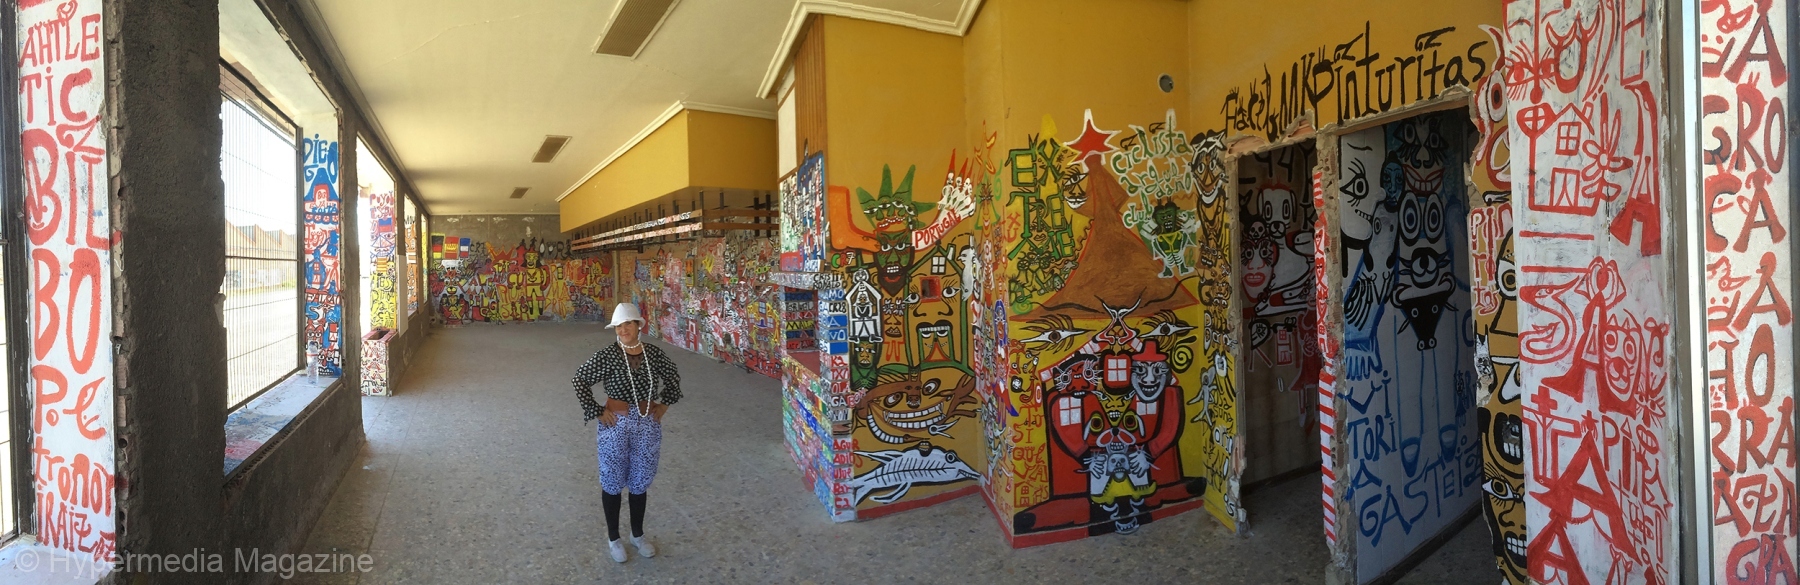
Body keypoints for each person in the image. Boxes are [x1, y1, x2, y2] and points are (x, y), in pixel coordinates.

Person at [572, 303, 682, 563]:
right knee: (612, 479)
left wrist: (664, 404)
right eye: (619, 326)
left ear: (638, 326)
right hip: (616, 424)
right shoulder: (608, 355)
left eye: (628, 324)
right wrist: (597, 411)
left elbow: (673, 377)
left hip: (647, 424)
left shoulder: (653, 354)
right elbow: (580, 379)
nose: (623, 330)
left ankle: (637, 535)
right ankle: (614, 538)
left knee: (640, 478)